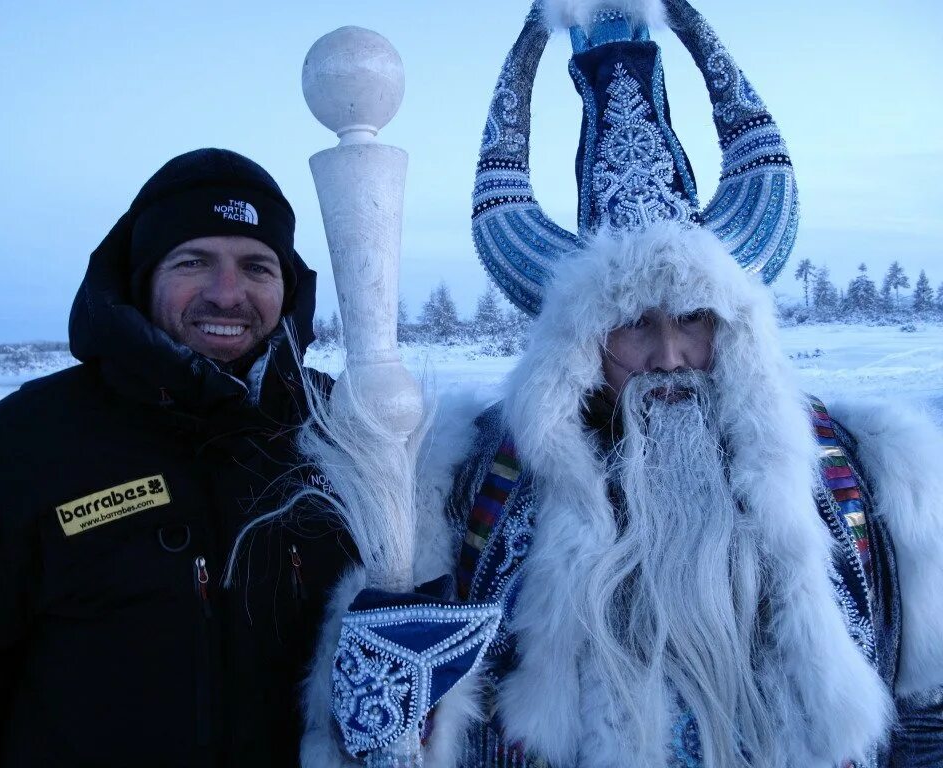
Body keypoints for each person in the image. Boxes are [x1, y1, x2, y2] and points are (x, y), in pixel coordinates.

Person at [300, 2, 943, 766]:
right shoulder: (477, 491)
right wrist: (389, 712)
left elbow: (926, 721)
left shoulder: (863, 479)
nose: (669, 356)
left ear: (736, 333)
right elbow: (418, 739)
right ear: (581, 348)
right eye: (634, 325)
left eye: (695, 320)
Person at [0, 147, 355, 767]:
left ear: (287, 287)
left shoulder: (349, 432)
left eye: (257, 266)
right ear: (142, 275)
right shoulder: (13, 451)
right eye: (194, 261)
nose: (227, 294)